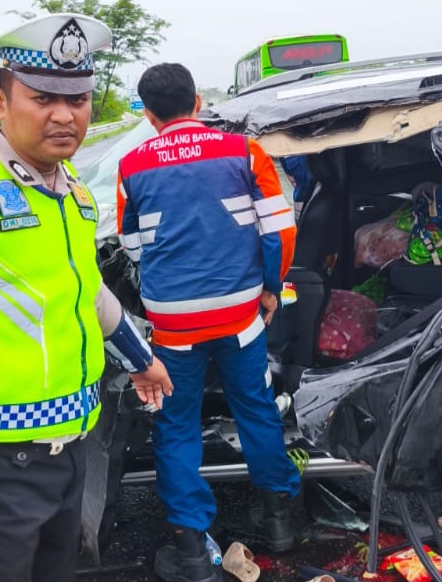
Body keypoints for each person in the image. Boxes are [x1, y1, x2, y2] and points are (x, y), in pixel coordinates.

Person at [0, 14, 172, 582]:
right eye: (43, 97)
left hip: (67, 454)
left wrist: (143, 360)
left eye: (79, 99)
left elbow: (85, 294)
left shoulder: (69, 195)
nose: (65, 115)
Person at [117, 63, 302, 582]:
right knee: (257, 409)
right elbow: (279, 230)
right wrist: (269, 288)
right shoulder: (244, 151)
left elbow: (132, 248)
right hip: (240, 313)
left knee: (176, 427)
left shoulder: (131, 165)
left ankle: (192, 552)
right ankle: (280, 521)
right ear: (198, 102)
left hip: (172, 326)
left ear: (149, 115)